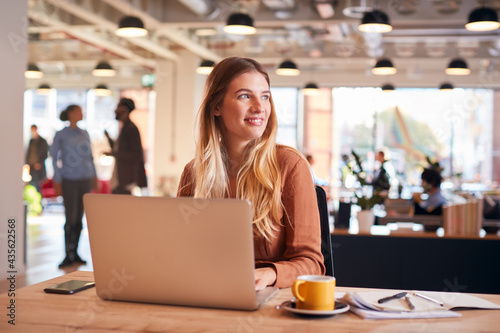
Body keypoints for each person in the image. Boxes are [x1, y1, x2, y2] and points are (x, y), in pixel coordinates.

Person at [177, 57, 325, 290]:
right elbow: (181, 252)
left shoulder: (290, 165)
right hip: (207, 293)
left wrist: (270, 275)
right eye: (245, 96)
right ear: (216, 106)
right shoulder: (194, 173)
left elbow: (311, 263)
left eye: (265, 96)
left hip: (269, 301)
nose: (259, 107)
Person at [50, 105, 98, 268]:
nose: (82, 113)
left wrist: (94, 176)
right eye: (78, 111)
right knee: (70, 217)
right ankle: (67, 254)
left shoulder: (85, 133)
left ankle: (76, 252)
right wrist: (57, 179)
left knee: (79, 217)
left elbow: (90, 157)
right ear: (70, 114)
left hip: (85, 179)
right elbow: (54, 158)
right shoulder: (61, 135)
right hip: (69, 180)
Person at [104, 98, 147, 194]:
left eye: (118, 107)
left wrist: (114, 154)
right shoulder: (125, 128)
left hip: (125, 179)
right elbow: (119, 149)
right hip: (122, 178)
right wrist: (109, 139)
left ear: (124, 110)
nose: (116, 110)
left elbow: (135, 154)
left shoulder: (131, 129)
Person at [26, 124, 49, 192]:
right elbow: (29, 153)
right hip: (31, 166)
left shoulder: (42, 141)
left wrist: (39, 163)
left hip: (39, 167)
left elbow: (45, 154)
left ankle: (39, 201)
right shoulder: (31, 141)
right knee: (32, 184)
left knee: (38, 186)